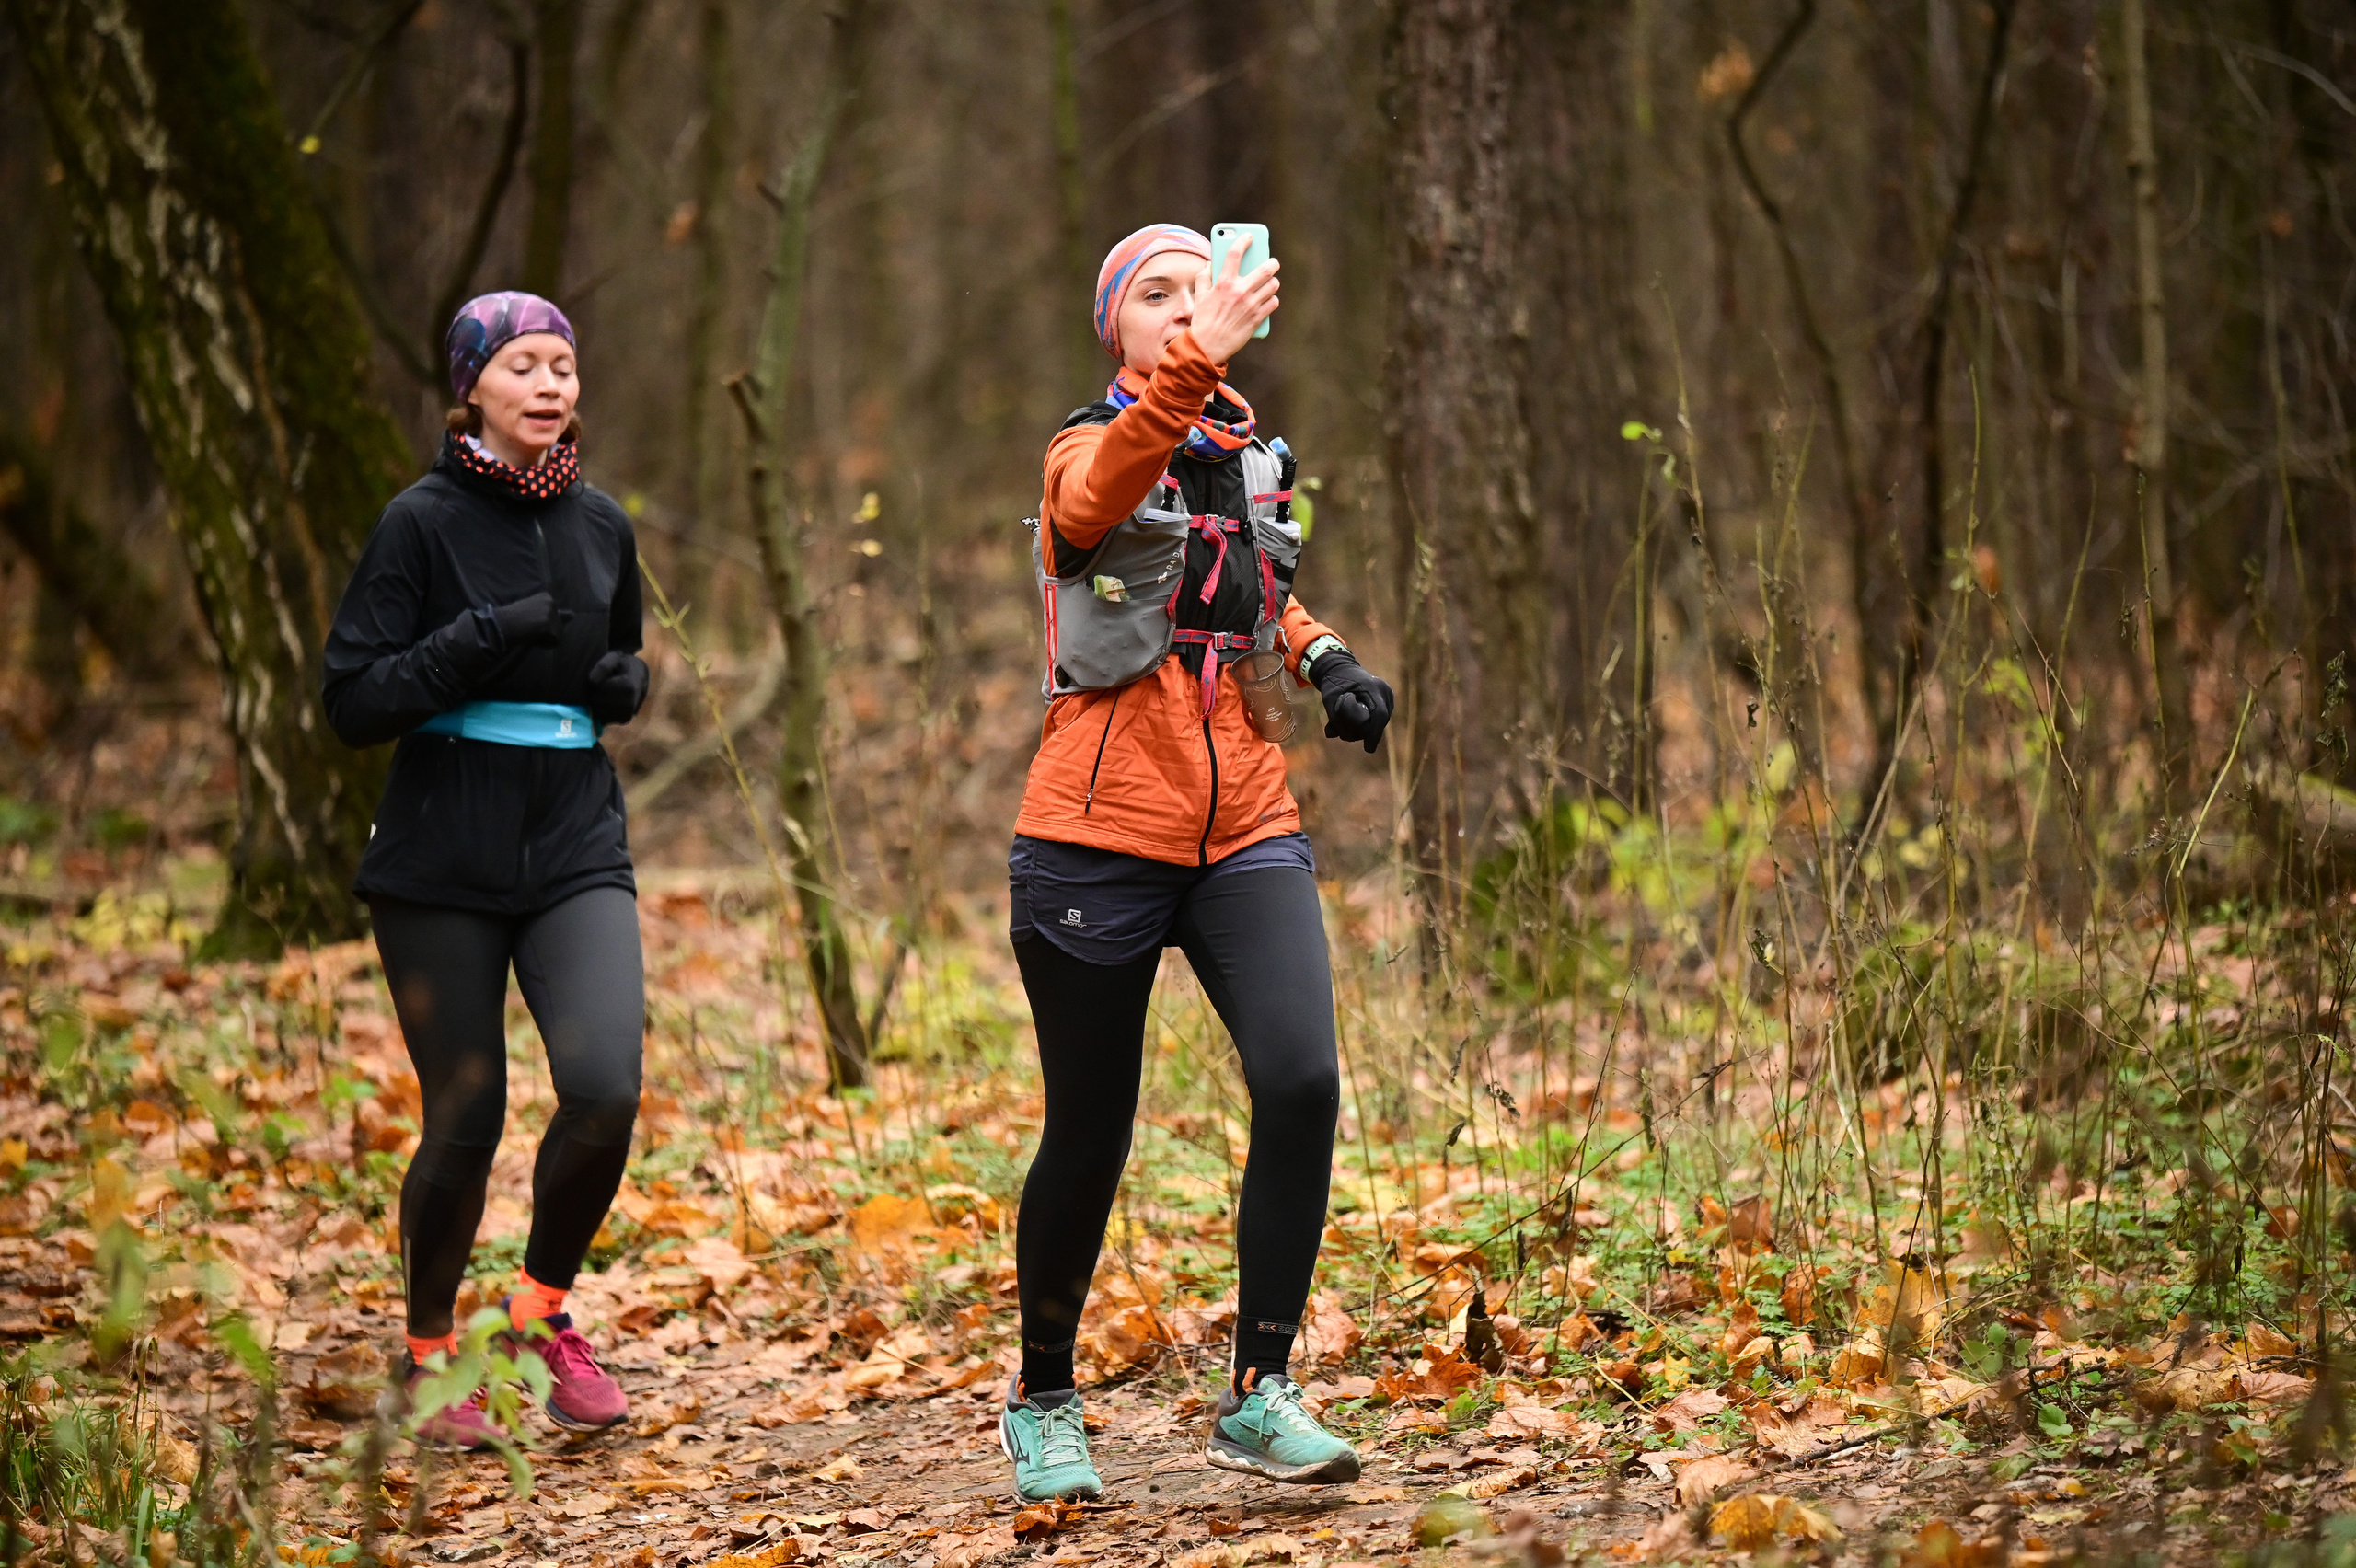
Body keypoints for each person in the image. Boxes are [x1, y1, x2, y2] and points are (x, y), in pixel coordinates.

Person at [999, 225, 1397, 1501]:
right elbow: (1091, 513)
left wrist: (1327, 656)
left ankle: (1260, 1392)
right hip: (1093, 837)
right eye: (1155, 297)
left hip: (1245, 827)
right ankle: (1045, 1400)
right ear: (1114, 327)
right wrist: (1190, 372)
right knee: (1092, 1131)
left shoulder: (1245, 459)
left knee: (1301, 1080)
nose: (1186, 312)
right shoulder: (1088, 444)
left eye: (1202, 291)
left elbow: (1250, 589)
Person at [322, 292, 653, 1448]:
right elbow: (353, 701)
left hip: (572, 840)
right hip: (439, 853)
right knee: (467, 1116)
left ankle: (535, 1317)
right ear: (473, 387)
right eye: (523, 364)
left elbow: (614, 653)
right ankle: (426, 1359)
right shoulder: (416, 522)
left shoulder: (603, 522)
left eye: (564, 363)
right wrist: (475, 640)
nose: (551, 384)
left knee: (605, 1084)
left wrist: (622, 687)